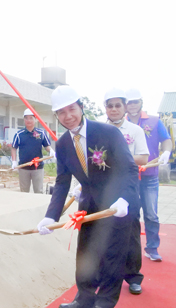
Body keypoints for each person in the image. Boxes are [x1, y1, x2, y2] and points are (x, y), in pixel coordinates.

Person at [37, 85, 140, 308]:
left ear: (81, 107)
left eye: (72, 109)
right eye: (61, 112)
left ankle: (104, 302)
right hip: (89, 206)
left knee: (113, 256)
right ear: (56, 116)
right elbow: (62, 181)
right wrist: (51, 216)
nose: (68, 116)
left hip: (117, 204)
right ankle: (84, 300)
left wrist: (125, 199)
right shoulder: (62, 144)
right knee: (85, 255)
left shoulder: (108, 133)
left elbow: (130, 170)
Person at [101, 88, 149, 295]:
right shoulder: (99, 130)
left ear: (124, 107)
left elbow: (144, 158)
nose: (113, 109)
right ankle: (107, 274)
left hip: (128, 186)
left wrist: (117, 159)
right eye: (110, 105)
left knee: (130, 233)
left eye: (117, 105)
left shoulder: (135, 130)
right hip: (103, 187)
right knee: (104, 231)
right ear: (106, 108)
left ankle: (133, 276)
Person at [125, 88, 172, 263]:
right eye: (129, 102)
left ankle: (152, 248)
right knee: (131, 213)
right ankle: (133, 248)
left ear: (141, 102)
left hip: (150, 174)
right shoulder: (121, 123)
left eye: (135, 101)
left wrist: (167, 152)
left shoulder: (154, 120)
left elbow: (166, 140)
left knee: (151, 213)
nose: (132, 106)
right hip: (129, 176)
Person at [11, 108, 55, 193]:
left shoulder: (41, 133)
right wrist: (14, 161)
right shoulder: (19, 134)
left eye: (31, 118)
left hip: (37, 168)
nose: (28, 120)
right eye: (26, 118)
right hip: (23, 168)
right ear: (24, 120)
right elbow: (13, 148)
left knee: (38, 191)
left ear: (35, 119)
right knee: (24, 192)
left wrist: (51, 151)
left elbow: (46, 146)